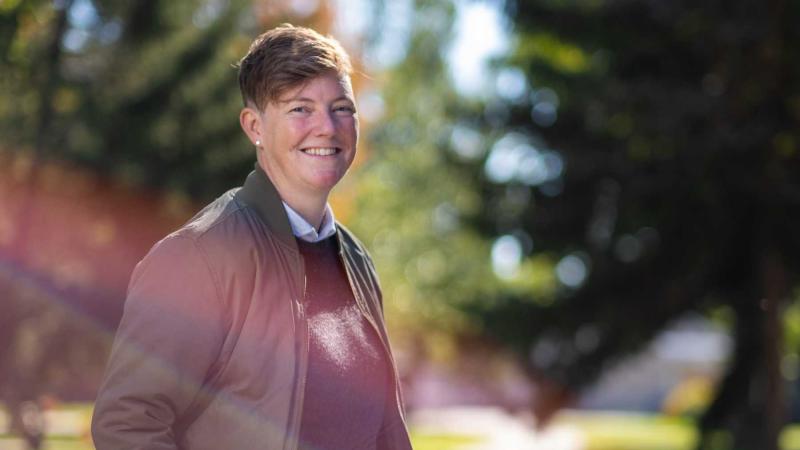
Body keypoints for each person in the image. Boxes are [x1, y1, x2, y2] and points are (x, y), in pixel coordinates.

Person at [91, 24, 412, 450]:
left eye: (342, 108)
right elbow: (126, 424)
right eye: (300, 109)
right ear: (254, 126)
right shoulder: (200, 256)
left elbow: (384, 429)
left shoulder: (356, 261)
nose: (327, 128)